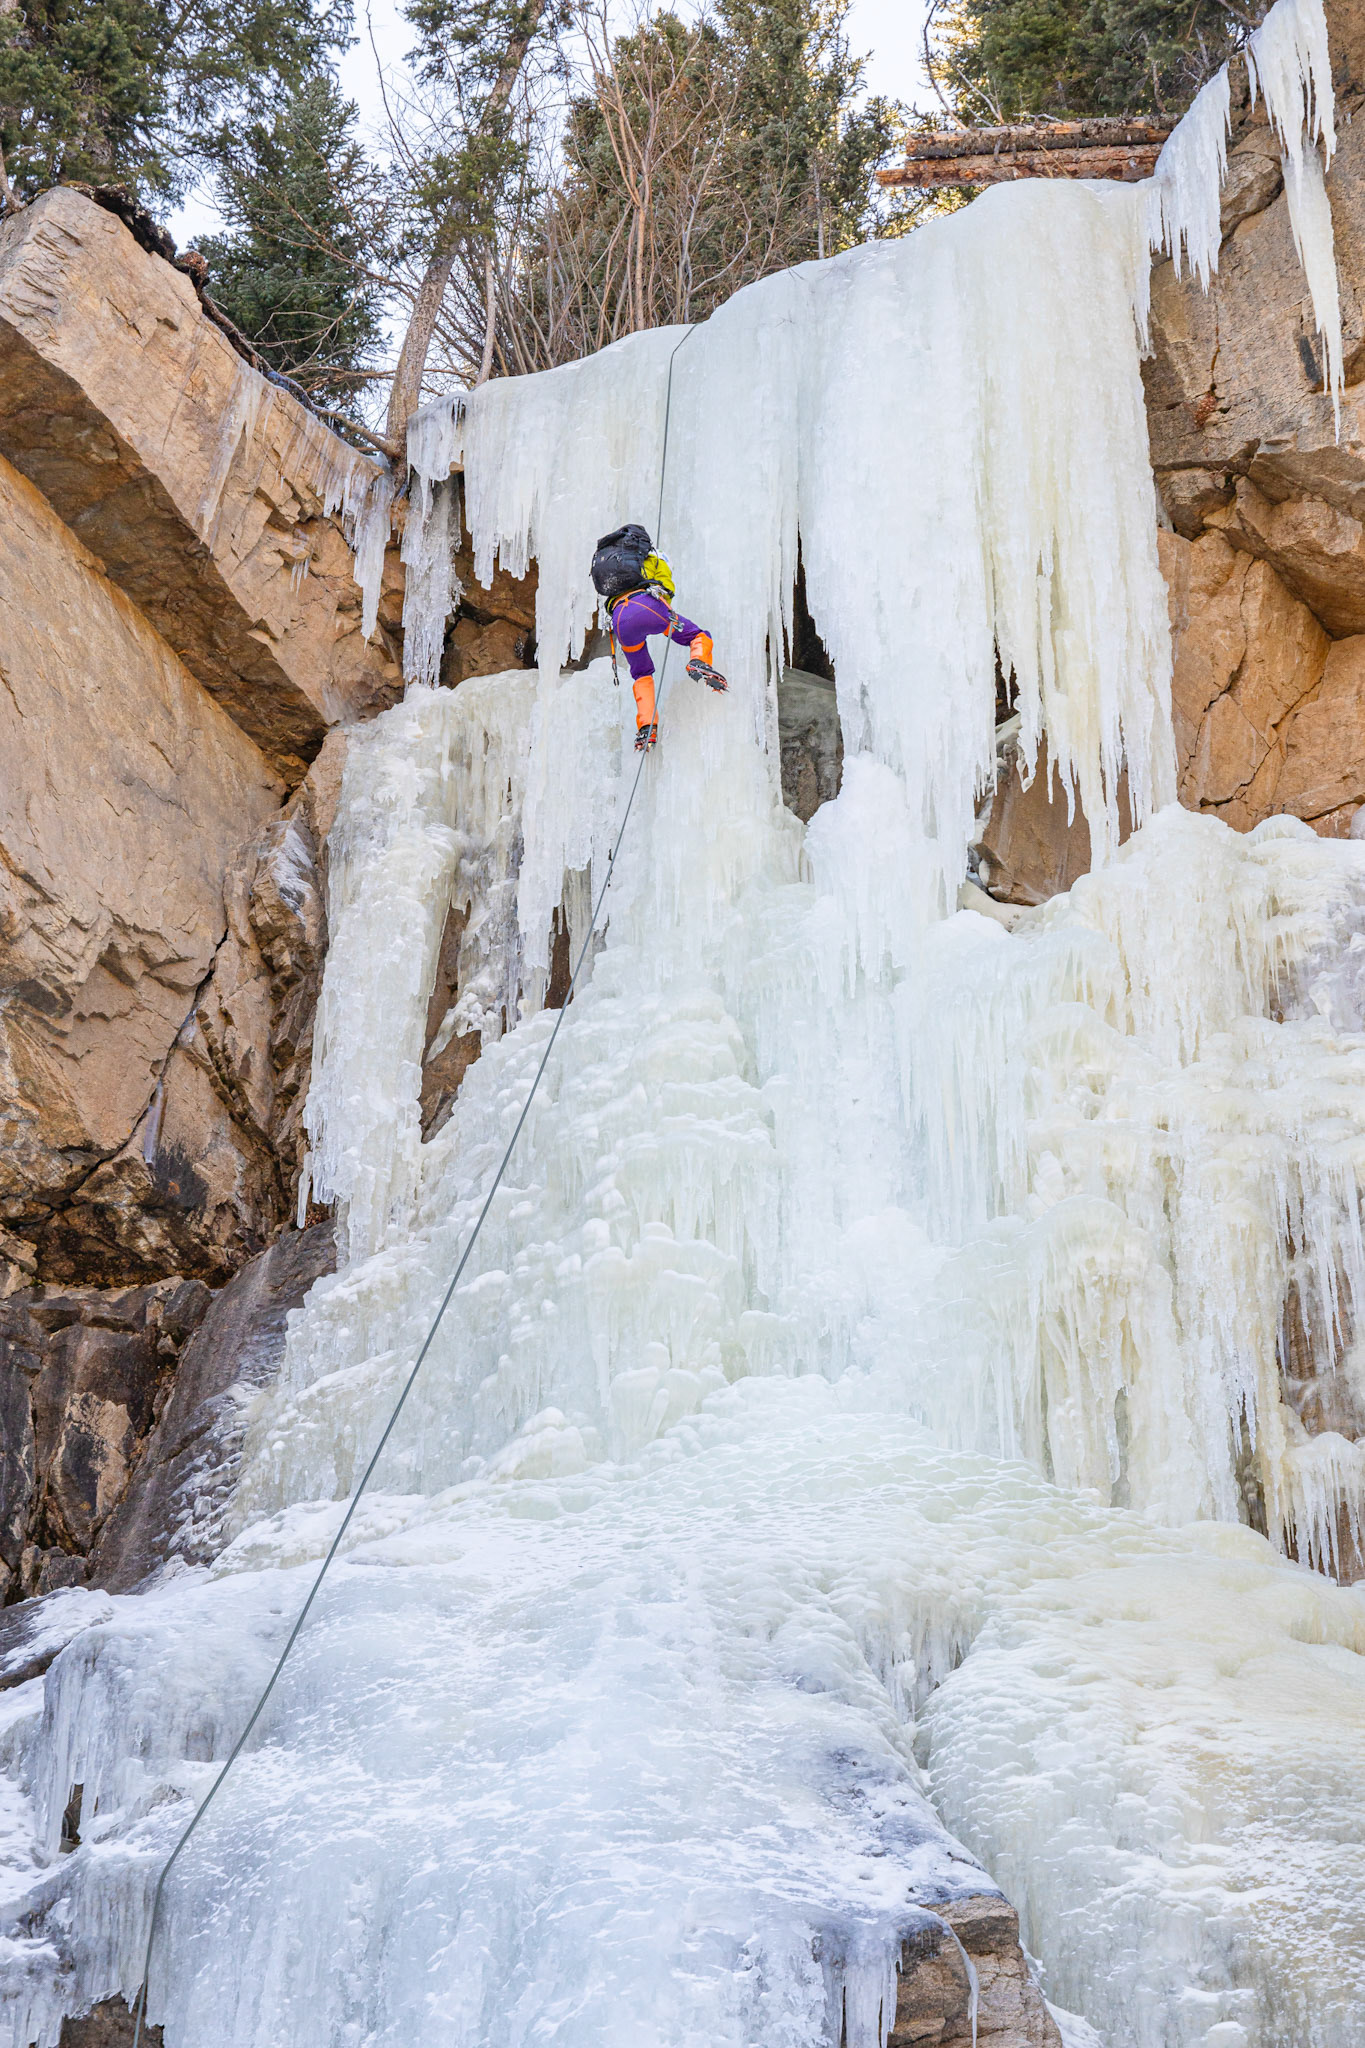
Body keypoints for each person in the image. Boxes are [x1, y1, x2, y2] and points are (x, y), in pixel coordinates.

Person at [591, 524, 727, 751]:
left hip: (620, 619)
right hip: (646, 605)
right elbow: (665, 587)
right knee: (698, 635)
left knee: (641, 673)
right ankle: (699, 661)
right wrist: (665, 610)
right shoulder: (655, 558)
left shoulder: (617, 567)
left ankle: (646, 727)